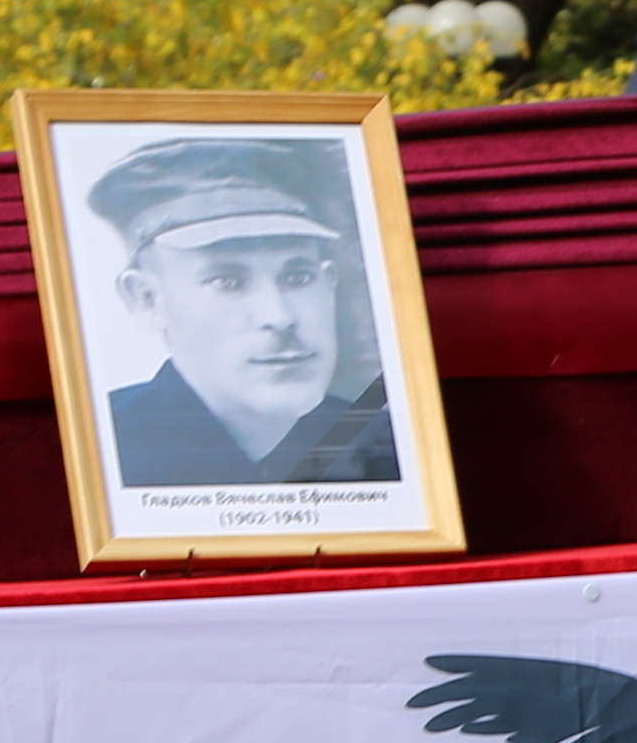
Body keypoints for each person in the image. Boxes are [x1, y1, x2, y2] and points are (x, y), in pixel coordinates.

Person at [88, 139, 408, 489]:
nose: (279, 316)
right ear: (147, 300)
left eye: (297, 277)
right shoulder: (102, 443)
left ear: (329, 284)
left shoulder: (384, 445)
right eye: (227, 281)